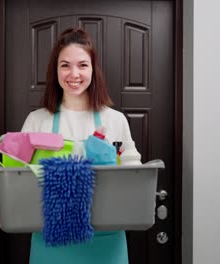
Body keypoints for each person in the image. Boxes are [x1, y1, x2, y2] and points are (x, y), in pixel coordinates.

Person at [20, 28, 142, 264]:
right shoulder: (37, 120)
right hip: (51, 242)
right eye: (65, 65)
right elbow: (18, 176)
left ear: (93, 70)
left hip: (106, 242)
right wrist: (1, 201)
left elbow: (132, 176)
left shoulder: (114, 120)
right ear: (55, 70)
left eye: (83, 65)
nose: (73, 73)